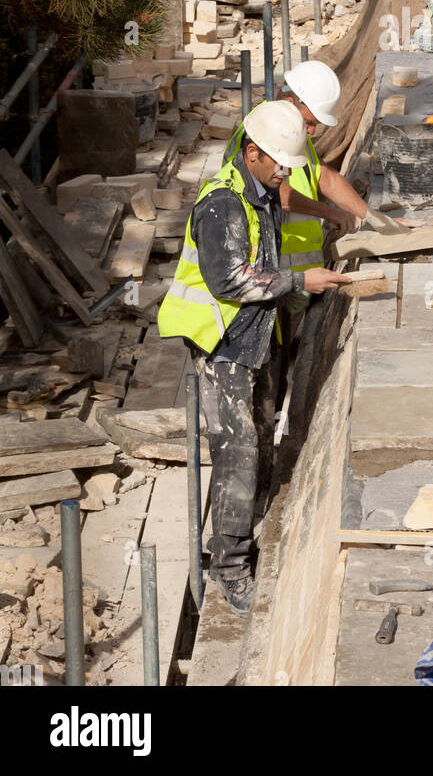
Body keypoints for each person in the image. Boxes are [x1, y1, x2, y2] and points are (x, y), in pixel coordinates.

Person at [157, 101, 350, 615]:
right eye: (279, 163)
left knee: (262, 437)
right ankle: (231, 567)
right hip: (222, 344)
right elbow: (229, 279)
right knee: (238, 455)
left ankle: (248, 531)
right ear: (251, 153)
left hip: (256, 334)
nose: (287, 172)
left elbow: (266, 255)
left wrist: (297, 297)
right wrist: (298, 282)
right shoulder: (222, 203)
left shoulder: (260, 189)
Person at [223, 60, 376, 287]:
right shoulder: (262, 131)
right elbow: (279, 194)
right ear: (289, 102)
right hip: (270, 272)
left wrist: (374, 218)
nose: (312, 131)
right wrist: (330, 213)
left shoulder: (293, 131)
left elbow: (326, 178)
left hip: (300, 274)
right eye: (309, 122)